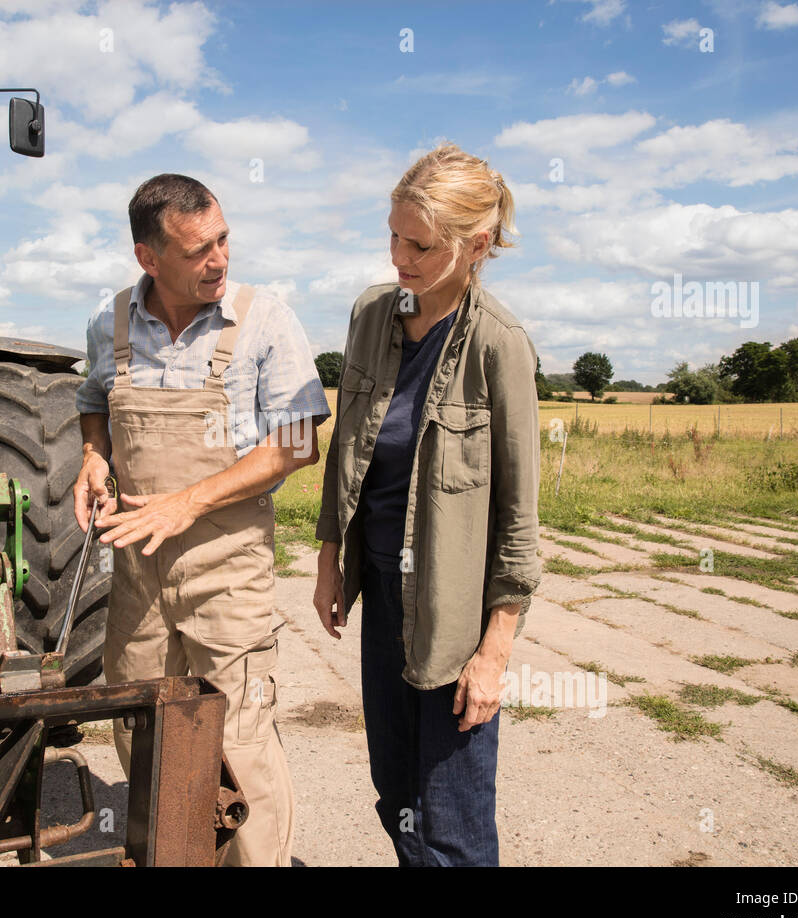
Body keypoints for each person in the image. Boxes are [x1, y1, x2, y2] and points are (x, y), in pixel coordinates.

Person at [74, 173, 330, 867]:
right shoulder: (112, 324)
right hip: (138, 576)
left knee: (240, 738)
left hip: (227, 567)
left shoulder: (263, 318)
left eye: (223, 240)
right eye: (197, 250)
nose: (218, 259)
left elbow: (299, 444)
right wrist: (93, 455)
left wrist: (189, 499)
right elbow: (94, 400)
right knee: (143, 726)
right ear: (148, 259)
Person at [312, 144, 541, 866]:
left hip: (454, 615)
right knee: (395, 794)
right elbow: (346, 445)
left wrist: (493, 653)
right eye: (392, 235)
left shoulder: (499, 345)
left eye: (420, 244)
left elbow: (518, 519)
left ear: (475, 246)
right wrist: (328, 562)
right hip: (381, 593)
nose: (398, 257)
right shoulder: (370, 315)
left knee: (452, 819)